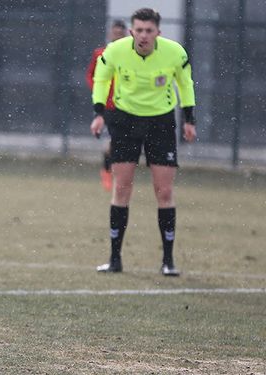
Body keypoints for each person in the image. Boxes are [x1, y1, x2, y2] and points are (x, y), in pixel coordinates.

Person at [89, 8, 197, 276]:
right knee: (122, 188)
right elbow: (102, 79)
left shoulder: (175, 53)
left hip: (160, 123)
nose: (143, 35)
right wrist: (99, 113)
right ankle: (115, 259)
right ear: (131, 31)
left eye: (149, 31)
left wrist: (189, 119)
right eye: (139, 30)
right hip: (125, 121)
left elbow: (185, 84)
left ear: (158, 32)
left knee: (164, 192)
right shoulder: (114, 51)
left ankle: (168, 261)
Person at [85, 20, 127, 192]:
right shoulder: (101, 53)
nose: (117, 36)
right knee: (111, 141)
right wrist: (98, 92)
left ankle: (117, 172)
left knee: (124, 141)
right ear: (110, 34)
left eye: (120, 33)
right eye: (115, 33)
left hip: (127, 105)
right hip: (108, 106)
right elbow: (90, 75)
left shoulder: (129, 55)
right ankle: (107, 170)